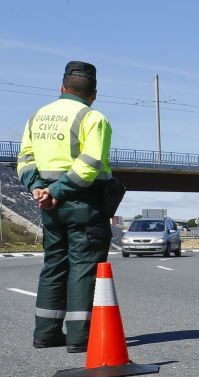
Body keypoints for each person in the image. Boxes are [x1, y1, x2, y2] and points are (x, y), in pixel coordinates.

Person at [16, 61, 120, 352]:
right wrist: (58, 190)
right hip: (83, 201)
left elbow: (24, 158)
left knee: (54, 265)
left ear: (61, 88)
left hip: (49, 204)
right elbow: (89, 165)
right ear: (94, 94)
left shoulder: (37, 117)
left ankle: (45, 334)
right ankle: (79, 337)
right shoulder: (93, 118)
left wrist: (39, 189)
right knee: (84, 267)